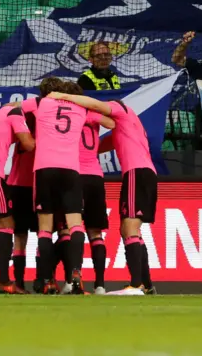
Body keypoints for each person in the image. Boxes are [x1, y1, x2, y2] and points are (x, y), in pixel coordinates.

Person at [47, 93, 157, 296]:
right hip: (143, 172)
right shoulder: (130, 125)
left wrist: (64, 97)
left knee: (129, 227)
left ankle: (136, 284)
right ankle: (147, 284)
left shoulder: (121, 109)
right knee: (130, 230)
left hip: (136, 172)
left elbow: (96, 105)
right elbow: (107, 143)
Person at [20, 82, 89, 295]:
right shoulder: (82, 108)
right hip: (70, 170)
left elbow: (14, 108)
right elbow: (107, 120)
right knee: (76, 226)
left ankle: (47, 279)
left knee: (45, 229)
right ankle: (76, 272)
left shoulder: (41, 102)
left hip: (44, 169)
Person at [8, 77, 62, 294]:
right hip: (41, 180)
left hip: (20, 180)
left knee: (21, 235)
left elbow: (10, 108)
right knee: (46, 232)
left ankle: (20, 282)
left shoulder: (32, 107)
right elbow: (12, 107)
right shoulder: (47, 109)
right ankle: (44, 279)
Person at [0, 102, 35, 294]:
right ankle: (4, 280)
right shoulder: (16, 113)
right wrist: (52, 139)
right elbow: (28, 144)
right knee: (6, 224)